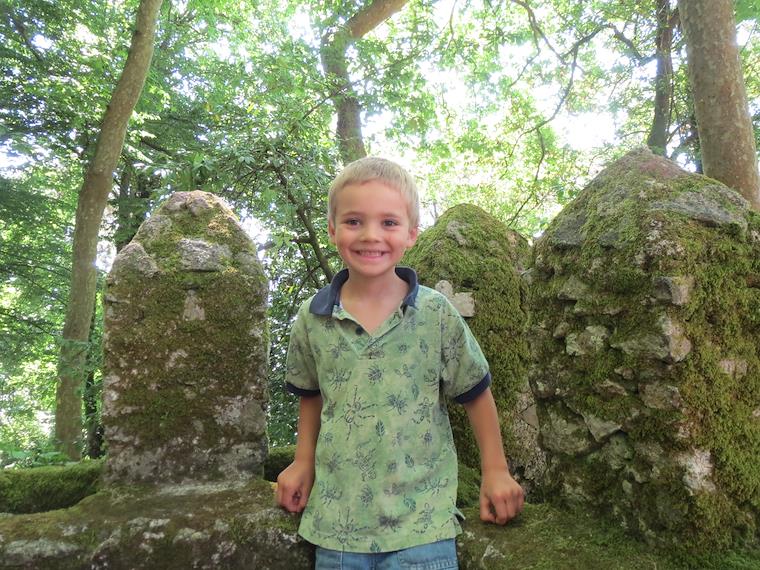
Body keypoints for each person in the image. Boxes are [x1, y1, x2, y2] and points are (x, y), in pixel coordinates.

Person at [276, 157, 524, 569]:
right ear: (332, 229)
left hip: (423, 525)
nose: (371, 235)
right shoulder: (313, 317)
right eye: (354, 221)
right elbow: (311, 394)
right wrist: (303, 462)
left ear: (411, 232)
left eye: (388, 222)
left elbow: (476, 392)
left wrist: (495, 470)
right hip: (337, 526)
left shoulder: (435, 313)